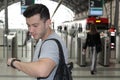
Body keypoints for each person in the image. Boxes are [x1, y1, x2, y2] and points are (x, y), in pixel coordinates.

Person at [7, 4, 68, 80]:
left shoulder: (51, 44)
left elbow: (42, 71)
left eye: (35, 26)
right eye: (28, 25)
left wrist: (14, 63)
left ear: (48, 23)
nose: (30, 30)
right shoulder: (43, 40)